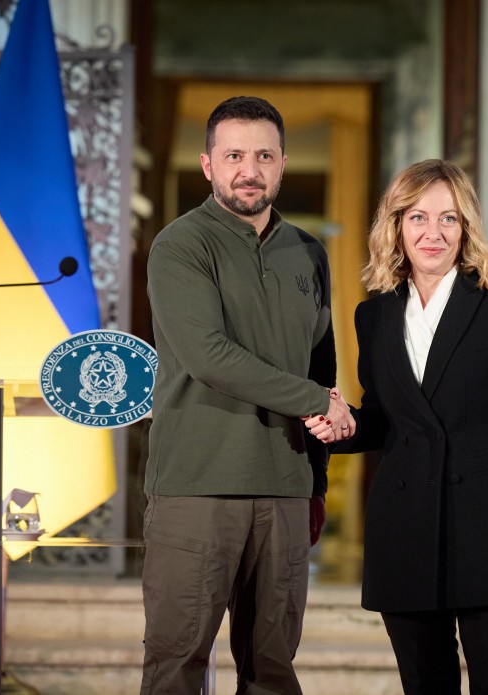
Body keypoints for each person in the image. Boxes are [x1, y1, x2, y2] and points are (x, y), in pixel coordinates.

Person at [306, 159, 488, 694]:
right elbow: (386, 421)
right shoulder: (374, 316)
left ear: (466, 227)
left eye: (449, 218)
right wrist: (342, 426)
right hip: (406, 529)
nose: (433, 232)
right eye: (418, 217)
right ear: (396, 225)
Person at [142, 95, 354, 695]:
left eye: (263, 156)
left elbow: (321, 366)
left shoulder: (308, 251)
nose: (249, 170)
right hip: (197, 486)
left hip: (286, 487)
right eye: (234, 155)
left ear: (282, 163)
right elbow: (209, 355)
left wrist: (317, 483)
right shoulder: (180, 245)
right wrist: (316, 401)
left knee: (273, 672)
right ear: (208, 164)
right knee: (176, 666)